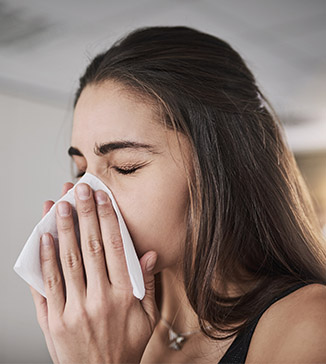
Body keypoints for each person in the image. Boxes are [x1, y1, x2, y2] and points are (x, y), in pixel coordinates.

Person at [29, 26, 326, 364]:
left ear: (219, 167)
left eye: (125, 166)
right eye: (82, 170)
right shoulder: (112, 325)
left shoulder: (308, 324)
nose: (84, 200)